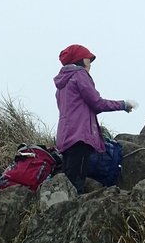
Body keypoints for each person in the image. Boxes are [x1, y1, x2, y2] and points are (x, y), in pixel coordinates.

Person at [54, 44, 134, 193]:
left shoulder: (61, 84)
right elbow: (97, 103)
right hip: (80, 137)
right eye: (88, 58)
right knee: (76, 183)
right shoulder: (80, 75)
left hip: (65, 138)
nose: (90, 62)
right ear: (81, 59)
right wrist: (123, 105)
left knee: (68, 182)